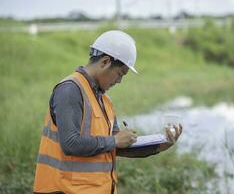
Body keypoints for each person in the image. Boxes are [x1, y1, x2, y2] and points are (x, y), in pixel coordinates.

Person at [33, 30, 183, 194]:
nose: (119, 81)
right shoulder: (70, 90)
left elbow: (118, 146)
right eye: (120, 74)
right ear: (105, 62)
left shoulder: (104, 100)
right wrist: (114, 140)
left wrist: (163, 144)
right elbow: (71, 144)